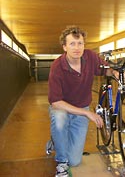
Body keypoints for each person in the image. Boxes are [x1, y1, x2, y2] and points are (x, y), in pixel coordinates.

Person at [48, 25, 118, 177]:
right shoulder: (57, 67)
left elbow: (104, 69)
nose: (77, 47)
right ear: (64, 47)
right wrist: (88, 114)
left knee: (74, 161)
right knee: (60, 119)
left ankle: (56, 141)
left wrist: (115, 72)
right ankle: (61, 163)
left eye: (80, 43)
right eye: (72, 44)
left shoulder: (90, 57)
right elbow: (55, 102)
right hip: (63, 108)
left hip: (82, 108)